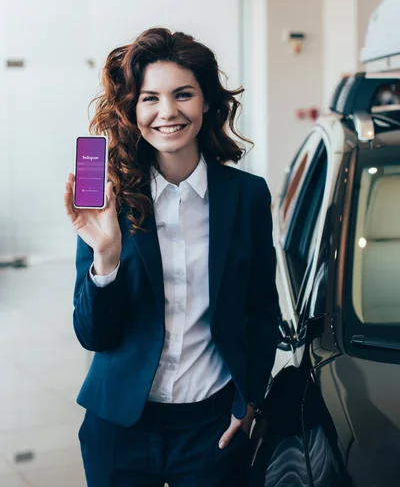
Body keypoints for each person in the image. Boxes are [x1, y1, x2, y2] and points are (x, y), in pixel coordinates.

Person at [64, 27, 279, 487]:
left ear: (206, 103)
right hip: (119, 426)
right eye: (150, 98)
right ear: (132, 110)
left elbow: (262, 308)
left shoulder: (246, 196)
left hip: (212, 427)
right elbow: (92, 334)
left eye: (183, 94)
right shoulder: (109, 200)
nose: (168, 112)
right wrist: (106, 254)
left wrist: (250, 400)